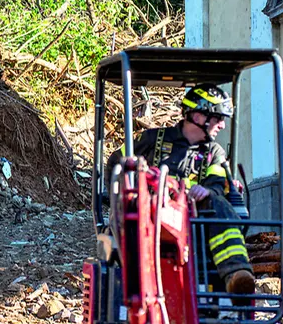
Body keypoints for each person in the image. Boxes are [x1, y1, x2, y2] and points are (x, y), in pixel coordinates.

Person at [105, 83, 256, 295]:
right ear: (198, 116)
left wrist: (208, 192)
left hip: (194, 225)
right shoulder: (151, 139)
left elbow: (216, 184)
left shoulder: (214, 152)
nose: (222, 125)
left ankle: (236, 273)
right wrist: (119, 196)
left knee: (219, 204)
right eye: (218, 118)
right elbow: (116, 164)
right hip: (147, 219)